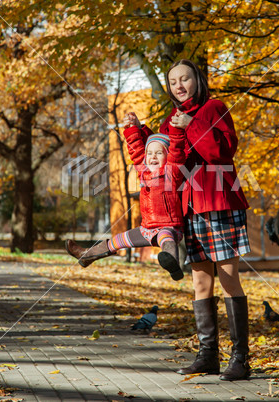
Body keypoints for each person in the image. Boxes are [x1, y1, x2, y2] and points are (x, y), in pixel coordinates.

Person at [128, 59, 251, 381]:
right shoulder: (173, 117)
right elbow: (165, 152)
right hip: (188, 208)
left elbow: (223, 153)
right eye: (173, 81)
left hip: (219, 202)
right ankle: (208, 355)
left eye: (185, 79)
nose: (179, 85)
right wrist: (139, 130)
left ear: (197, 79)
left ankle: (240, 359)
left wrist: (189, 126)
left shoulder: (214, 107)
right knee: (199, 282)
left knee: (228, 278)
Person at [65, 122, 186, 281]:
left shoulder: (172, 172)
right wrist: (131, 129)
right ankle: (87, 256)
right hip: (146, 229)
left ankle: (173, 264)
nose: (153, 157)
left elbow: (177, 151)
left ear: (168, 155)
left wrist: (177, 129)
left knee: (166, 239)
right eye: (149, 153)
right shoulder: (144, 172)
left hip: (168, 227)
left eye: (158, 153)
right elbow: (136, 152)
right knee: (117, 240)